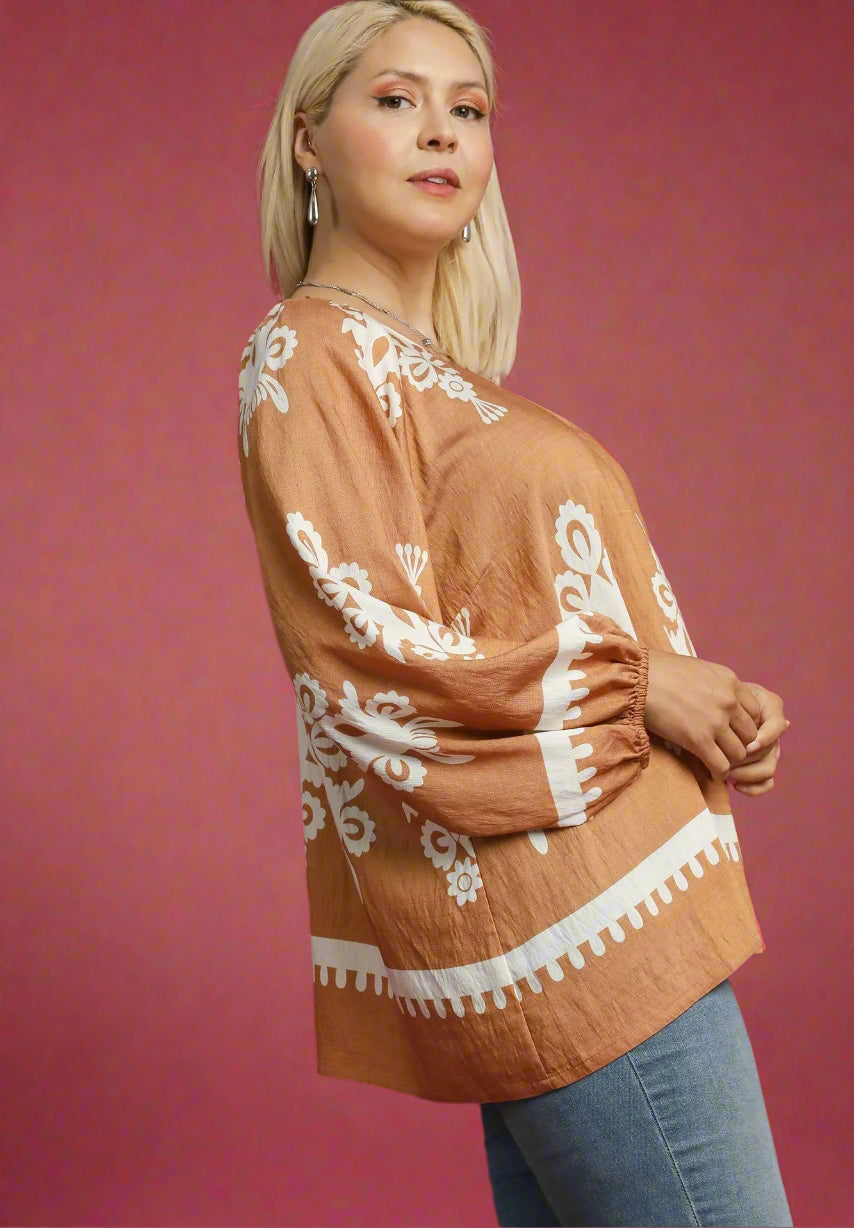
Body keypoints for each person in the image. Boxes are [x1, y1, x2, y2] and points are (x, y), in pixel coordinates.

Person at [237, 2, 793, 1224]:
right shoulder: (309, 353)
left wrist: (697, 706)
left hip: (598, 907)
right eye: (394, 100)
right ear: (307, 141)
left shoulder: (440, 380)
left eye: (468, 109)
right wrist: (640, 690)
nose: (440, 132)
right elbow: (368, 665)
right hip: (573, 939)